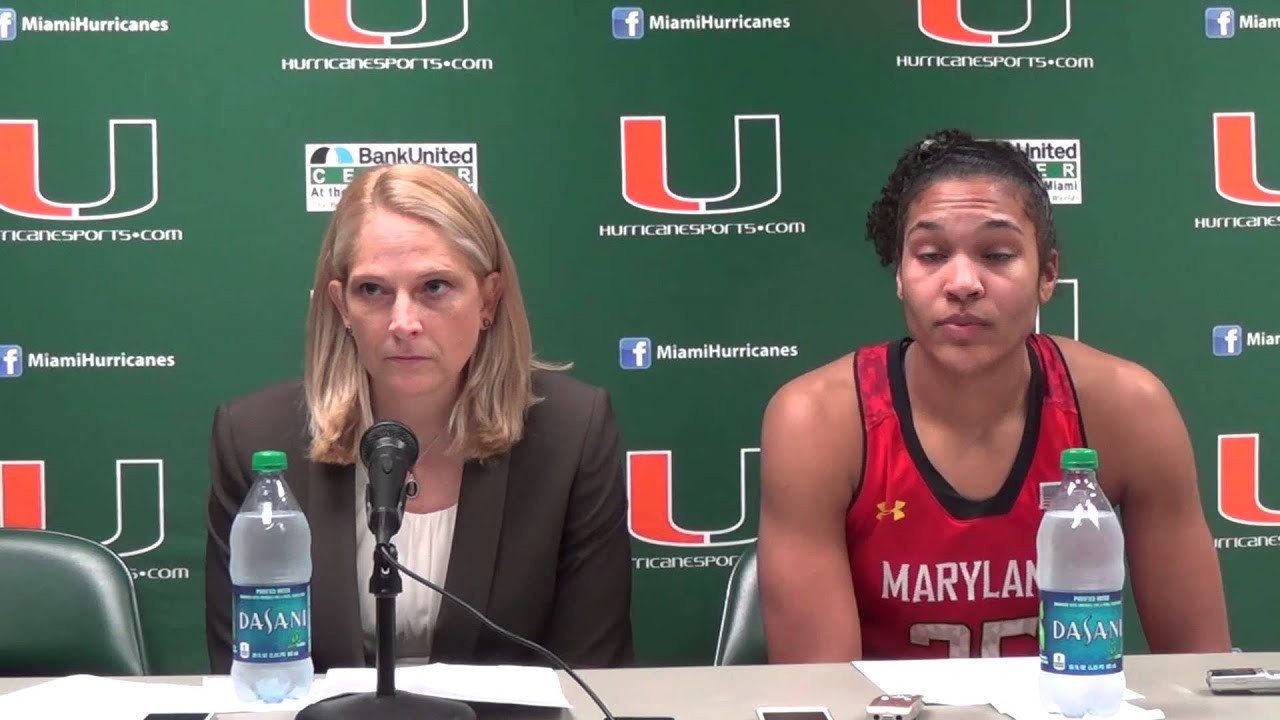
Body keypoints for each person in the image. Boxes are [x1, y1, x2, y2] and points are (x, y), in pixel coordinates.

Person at [757, 129, 1232, 662]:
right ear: (900, 275)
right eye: (931, 254)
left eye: (998, 254)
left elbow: (1201, 666)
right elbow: (819, 692)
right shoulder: (818, 421)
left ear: (1047, 275)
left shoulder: (1128, 408)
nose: (962, 283)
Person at [205, 164, 634, 673]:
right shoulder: (253, 438)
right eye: (372, 291)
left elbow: (589, 673)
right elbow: (248, 673)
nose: (403, 322)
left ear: (489, 299)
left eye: (434, 287)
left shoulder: (572, 432)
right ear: (341, 306)